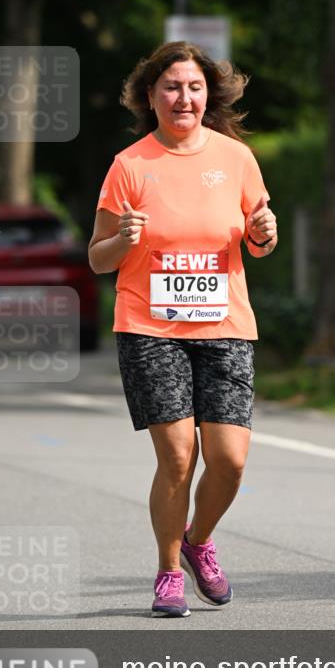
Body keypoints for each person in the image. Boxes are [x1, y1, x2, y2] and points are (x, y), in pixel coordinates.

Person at [88, 41, 277, 617]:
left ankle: (198, 542)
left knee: (230, 459)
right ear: (152, 96)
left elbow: (258, 243)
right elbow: (97, 258)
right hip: (149, 326)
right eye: (171, 87)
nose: (183, 97)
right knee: (177, 456)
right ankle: (169, 571)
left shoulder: (237, 159)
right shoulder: (130, 165)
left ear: (208, 96)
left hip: (224, 326)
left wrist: (265, 232)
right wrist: (124, 239)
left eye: (194, 87)